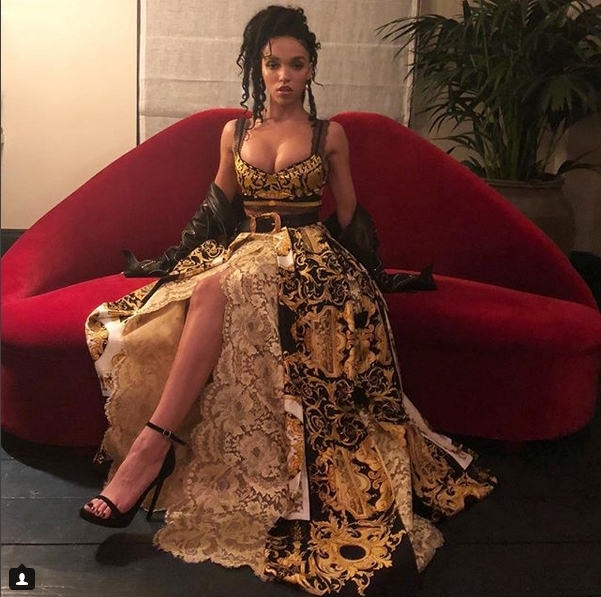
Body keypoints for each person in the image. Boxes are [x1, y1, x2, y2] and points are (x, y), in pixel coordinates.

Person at [81, 5, 496, 596]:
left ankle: (151, 452)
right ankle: (152, 448)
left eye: (296, 65)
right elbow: (216, 210)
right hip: (247, 250)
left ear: (311, 70)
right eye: (272, 63)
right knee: (200, 288)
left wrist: (376, 276)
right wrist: (169, 259)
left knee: (216, 288)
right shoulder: (235, 133)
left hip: (311, 257)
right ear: (257, 66)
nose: (283, 76)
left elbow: (349, 214)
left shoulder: (329, 135)